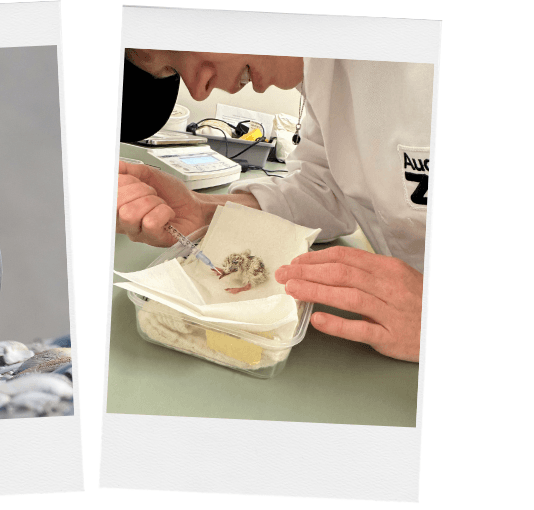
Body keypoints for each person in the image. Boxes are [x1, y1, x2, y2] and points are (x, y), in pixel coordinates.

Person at [117, 50, 432, 363]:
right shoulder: (323, 67)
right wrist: (204, 210)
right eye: (172, 69)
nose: (199, 90)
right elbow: (324, 190)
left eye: (178, 46)